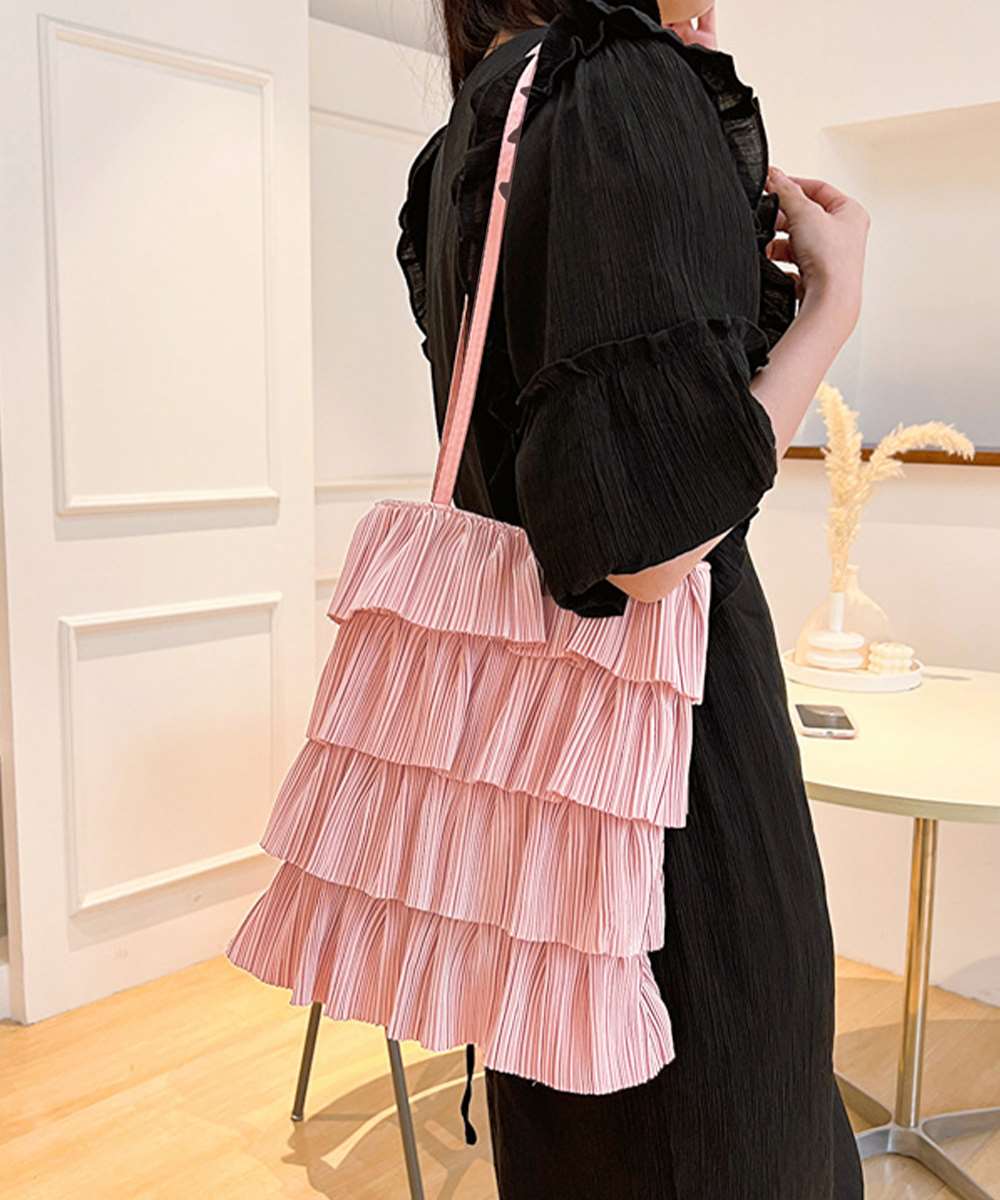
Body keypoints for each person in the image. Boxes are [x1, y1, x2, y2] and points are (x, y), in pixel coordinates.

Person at [395, 1, 870, 1195]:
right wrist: (831, 308)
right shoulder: (611, 89)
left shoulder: (476, 125)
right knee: (717, 1132)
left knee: (582, 1135)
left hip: (536, 780)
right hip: (667, 780)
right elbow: (650, 547)